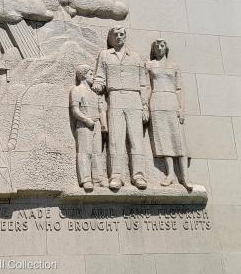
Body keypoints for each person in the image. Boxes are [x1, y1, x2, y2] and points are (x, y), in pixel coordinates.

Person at [92, 26, 148, 190]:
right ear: (110, 38)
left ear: (125, 37)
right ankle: (116, 175)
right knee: (116, 139)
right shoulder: (104, 55)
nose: (119, 37)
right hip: (115, 97)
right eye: (115, 34)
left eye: (122, 34)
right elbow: (100, 77)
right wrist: (97, 85)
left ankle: (139, 176)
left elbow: (143, 84)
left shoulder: (136, 57)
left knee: (136, 139)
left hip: (134, 98)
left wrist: (145, 105)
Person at [146, 39, 192, 191]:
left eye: (162, 45)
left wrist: (182, 108)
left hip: (172, 101)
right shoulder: (149, 65)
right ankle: (170, 174)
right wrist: (145, 106)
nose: (159, 48)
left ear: (166, 48)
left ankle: (185, 176)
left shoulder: (174, 66)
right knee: (164, 138)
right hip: (157, 101)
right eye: (157, 46)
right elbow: (146, 87)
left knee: (179, 139)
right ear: (154, 49)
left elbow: (179, 89)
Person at [70, 65, 108, 191]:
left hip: (96, 124)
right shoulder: (76, 90)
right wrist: (86, 120)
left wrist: (103, 125)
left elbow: (100, 110)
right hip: (84, 125)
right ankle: (86, 179)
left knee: (97, 152)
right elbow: (75, 111)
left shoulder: (94, 94)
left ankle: (98, 179)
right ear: (83, 75)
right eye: (91, 74)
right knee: (85, 152)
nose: (93, 77)